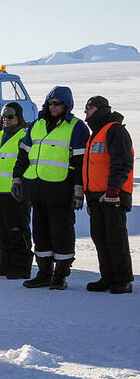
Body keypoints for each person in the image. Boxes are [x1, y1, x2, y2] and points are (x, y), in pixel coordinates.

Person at [12, 86, 90, 290]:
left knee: (61, 234)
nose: (54, 107)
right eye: (51, 103)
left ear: (67, 105)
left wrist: (79, 189)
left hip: (61, 190)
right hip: (37, 189)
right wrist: (17, 179)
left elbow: (81, 162)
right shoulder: (36, 125)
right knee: (40, 234)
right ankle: (44, 273)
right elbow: (23, 154)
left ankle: (60, 276)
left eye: (58, 103)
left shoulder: (76, 127)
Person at [81, 96, 134, 294]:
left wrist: (113, 189)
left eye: (89, 108)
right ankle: (108, 276)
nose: (86, 112)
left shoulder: (115, 130)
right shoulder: (96, 133)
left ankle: (123, 278)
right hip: (96, 195)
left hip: (113, 195)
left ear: (101, 109)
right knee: (100, 238)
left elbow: (122, 162)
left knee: (115, 237)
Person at [0, 102, 33, 279]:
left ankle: (21, 266)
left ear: (19, 118)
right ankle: (5, 263)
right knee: (3, 230)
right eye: (4, 117)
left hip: (16, 192)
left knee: (17, 230)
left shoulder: (25, 137)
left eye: (10, 117)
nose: (6, 120)